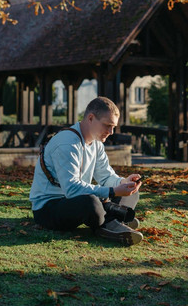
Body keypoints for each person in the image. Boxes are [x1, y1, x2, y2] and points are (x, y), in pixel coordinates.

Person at [29, 96, 143, 246]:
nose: (111, 132)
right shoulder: (67, 144)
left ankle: (111, 220)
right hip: (49, 208)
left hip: (74, 199)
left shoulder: (96, 143)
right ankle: (113, 220)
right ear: (90, 118)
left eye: (113, 127)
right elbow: (72, 189)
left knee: (132, 193)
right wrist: (112, 191)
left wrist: (123, 183)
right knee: (90, 203)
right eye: (107, 125)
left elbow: (105, 174)